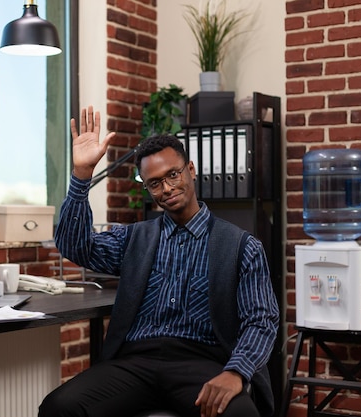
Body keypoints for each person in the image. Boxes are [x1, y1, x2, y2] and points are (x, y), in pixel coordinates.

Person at [38, 106, 280, 417]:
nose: (166, 188)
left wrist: (236, 372)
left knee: (239, 414)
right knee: (59, 407)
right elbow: (76, 246)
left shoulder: (242, 247)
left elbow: (261, 321)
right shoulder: (133, 239)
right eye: (154, 183)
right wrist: (82, 175)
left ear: (190, 170)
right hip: (135, 364)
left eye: (173, 175)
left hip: (203, 364)